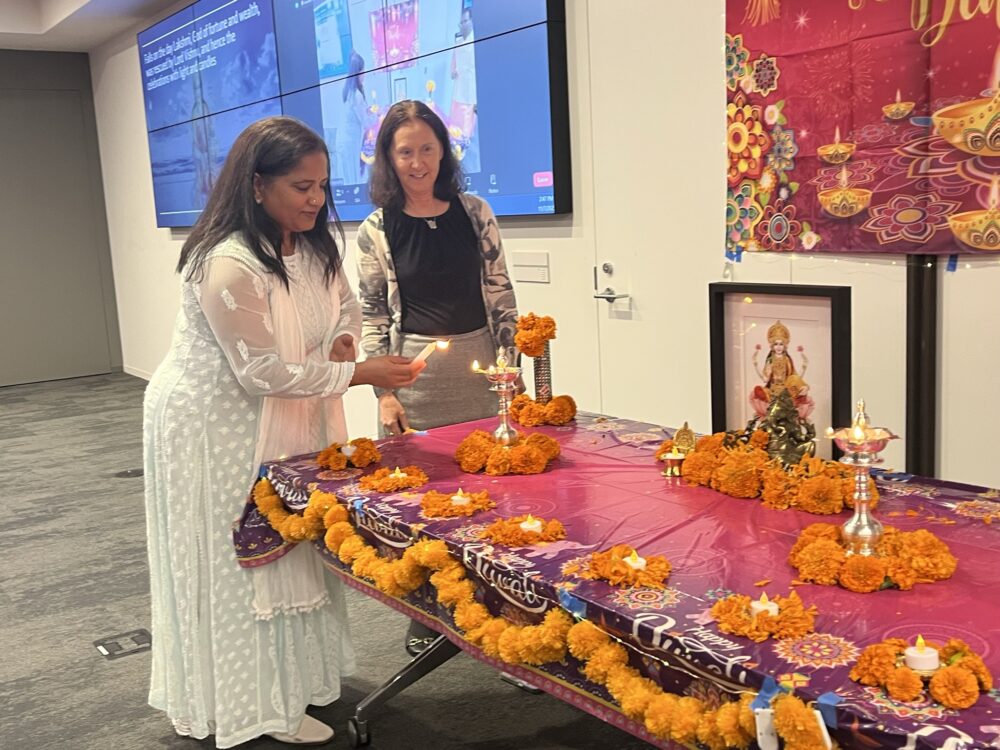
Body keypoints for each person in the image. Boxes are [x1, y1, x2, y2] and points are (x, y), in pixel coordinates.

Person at [143, 115, 424, 748]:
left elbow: (341, 309)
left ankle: (297, 681)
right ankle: (254, 703)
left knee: (294, 536)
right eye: (301, 186)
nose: (315, 200)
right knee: (240, 555)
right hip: (214, 423)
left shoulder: (315, 245)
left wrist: (345, 341)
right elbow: (259, 370)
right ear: (257, 184)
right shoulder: (227, 263)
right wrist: (358, 372)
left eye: (323, 186)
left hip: (288, 412)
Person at [356, 99, 518, 655]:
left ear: (444, 152)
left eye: (428, 148)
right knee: (420, 502)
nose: (418, 161)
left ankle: (500, 617)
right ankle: (425, 612)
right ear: (388, 158)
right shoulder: (376, 229)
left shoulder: (475, 213)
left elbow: (500, 294)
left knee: (492, 498)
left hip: (478, 372)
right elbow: (374, 314)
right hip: (414, 377)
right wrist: (385, 393)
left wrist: (510, 367)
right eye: (406, 151)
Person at [750, 320, 814, 420]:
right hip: (772, 391)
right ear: (772, 346)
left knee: (794, 381)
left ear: (785, 346)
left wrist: (804, 367)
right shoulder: (770, 360)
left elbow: (794, 377)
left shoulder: (787, 360)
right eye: (776, 344)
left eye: (781, 344)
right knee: (758, 391)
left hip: (786, 390)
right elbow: (765, 380)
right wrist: (755, 364)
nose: (778, 347)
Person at [335, 50, 367, 186]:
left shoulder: (347, 91)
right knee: (353, 178)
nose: (364, 74)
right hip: (350, 142)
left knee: (349, 177)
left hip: (344, 141)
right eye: (363, 71)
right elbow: (365, 121)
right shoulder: (357, 95)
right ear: (359, 72)